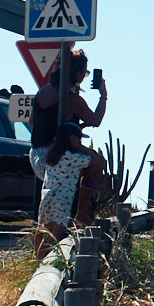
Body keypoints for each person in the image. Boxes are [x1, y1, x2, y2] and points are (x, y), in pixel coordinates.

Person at [30, 48, 107, 221]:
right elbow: (95, 120)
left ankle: (62, 217)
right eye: (84, 73)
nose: (83, 77)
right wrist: (103, 96)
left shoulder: (42, 92)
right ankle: (81, 213)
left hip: (35, 154)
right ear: (76, 73)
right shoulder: (72, 100)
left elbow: (32, 122)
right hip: (55, 157)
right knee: (97, 162)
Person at [34, 121, 91, 258]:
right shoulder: (70, 157)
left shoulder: (52, 155)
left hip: (47, 198)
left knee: (43, 232)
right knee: (56, 238)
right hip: (62, 200)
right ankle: (48, 265)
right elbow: (95, 159)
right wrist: (80, 147)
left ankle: (38, 262)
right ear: (72, 139)